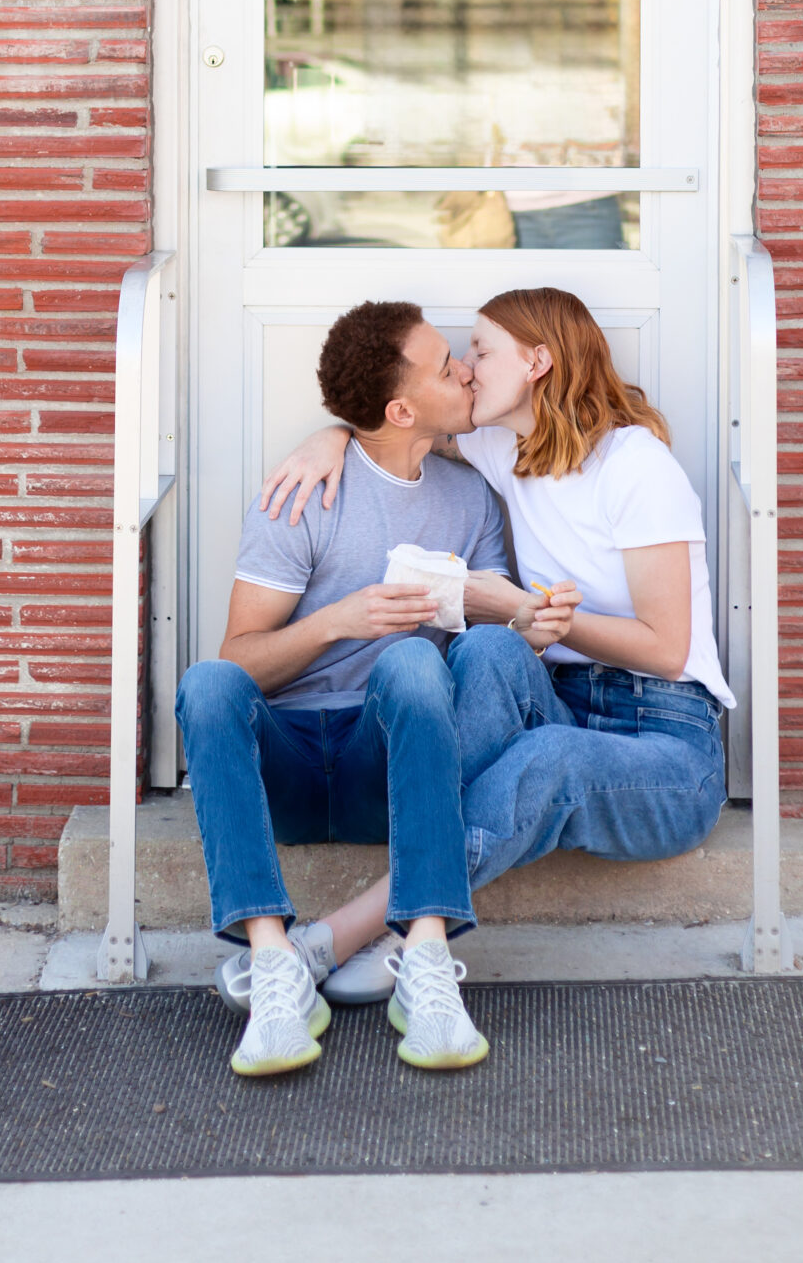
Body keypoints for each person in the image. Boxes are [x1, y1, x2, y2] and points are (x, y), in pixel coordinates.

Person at [174, 298, 572, 1081]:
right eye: (446, 367)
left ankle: (424, 961)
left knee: (414, 661)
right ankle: (275, 970)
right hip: (289, 769)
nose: (467, 371)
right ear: (400, 410)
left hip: (387, 768)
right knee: (207, 682)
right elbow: (240, 659)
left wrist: (531, 621)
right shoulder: (303, 494)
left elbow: (485, 643)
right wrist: (336, 622)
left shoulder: (469, 497)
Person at [259, 286, 733, 912]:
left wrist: (532, 615)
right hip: (561, 704)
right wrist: (331, 436)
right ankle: (423, 837)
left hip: (667, 736)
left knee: (549, 752)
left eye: (480, 351)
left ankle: (358, 930)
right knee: (484, 648)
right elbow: (397, 424)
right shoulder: (502, 446)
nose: (466, 368)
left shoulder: (637, 467)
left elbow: (668, 651)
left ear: (537, 362)